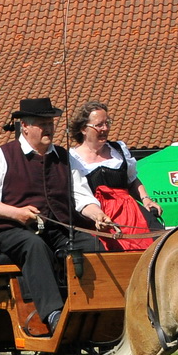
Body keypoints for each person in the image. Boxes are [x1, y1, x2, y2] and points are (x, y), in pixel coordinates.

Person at [0, 97, 105, 337]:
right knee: (34, 246)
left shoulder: (65, 158)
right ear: (25, 126)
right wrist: (17, 213)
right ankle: (53, 314)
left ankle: (96, 310)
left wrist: (97, 215)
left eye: (51, 123)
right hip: (13, 231)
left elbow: (82, 197)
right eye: (42, 123)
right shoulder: (3, 156)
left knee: (92, 244)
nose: (48, 128)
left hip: (58, 228)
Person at [67, 101, 161, 252]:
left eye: (107, 123)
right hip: (98, 216)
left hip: (132, 213)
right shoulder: (72, 158)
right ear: (84, 129)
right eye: (99, 125)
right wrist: (97, 215)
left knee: (158, 243)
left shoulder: (119, 149)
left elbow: (132, 180)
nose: (105, 129)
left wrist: (146, 199)